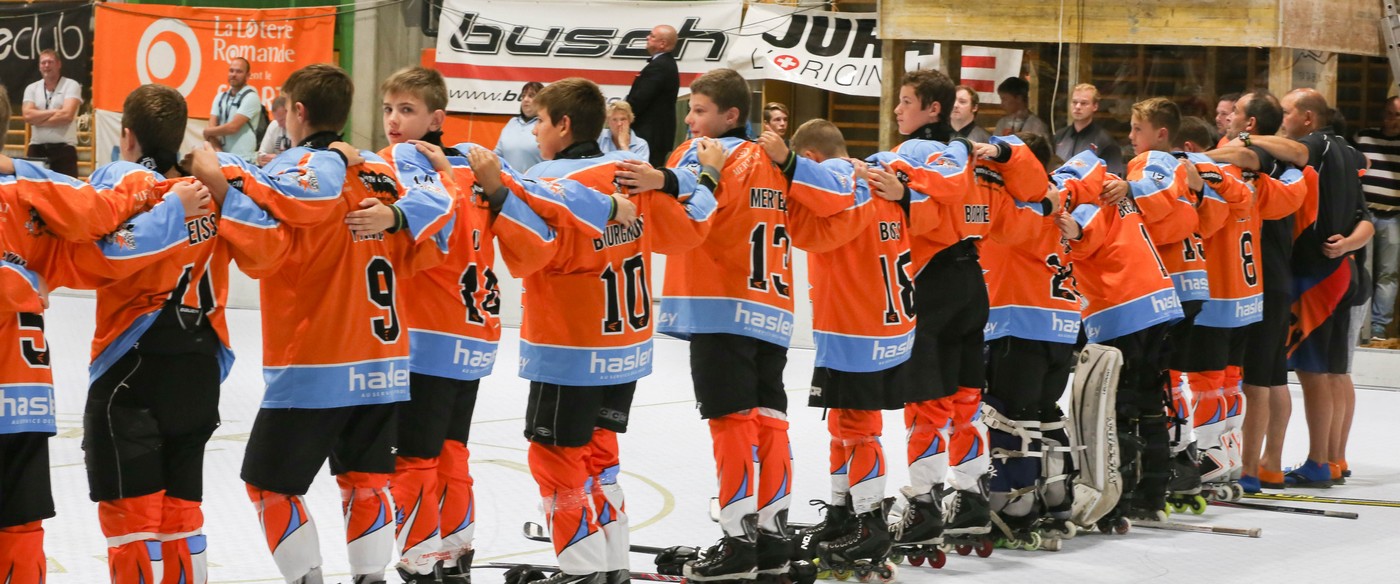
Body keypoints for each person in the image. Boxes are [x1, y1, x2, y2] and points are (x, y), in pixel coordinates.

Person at [193, 63, 455, 584]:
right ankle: (370, 578)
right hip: (383, 361)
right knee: (366, 482)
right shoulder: (380, 173)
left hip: (317, 360)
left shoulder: (293, 174)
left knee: (270, 485)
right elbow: (435, 233)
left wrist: (213, 171)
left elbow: (260, 237)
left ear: (298, 112)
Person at [0, 87, 212, 584]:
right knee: (181, 515)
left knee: (131, 522)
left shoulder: (123, 175)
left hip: (129, 362)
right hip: (196, 360)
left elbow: (99, 250)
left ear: (127, 136)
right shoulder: (207, 187)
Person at [509, 76, 715, 584]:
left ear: (563, 124)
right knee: (601, 457)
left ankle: (582, 571)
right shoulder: (631, 175)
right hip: (625, 348)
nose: (534, 130)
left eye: (540, 120)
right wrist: (701, 178)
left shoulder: (546, 178)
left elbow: (514, 219)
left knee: (556, 458)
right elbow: (691, 227)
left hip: (570, 346)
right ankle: (611, 564)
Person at [617, 68, 817, 581]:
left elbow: (684, 196)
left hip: (723, 306)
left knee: (730, 422)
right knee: (770, 420)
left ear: (730, 115)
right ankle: (772, 536)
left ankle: (737, 539)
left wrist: (658, 177)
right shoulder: (774, 160)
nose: (690, 119)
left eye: (699, 110)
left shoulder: (706, 151)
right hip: (773, 308)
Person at [377, 65, 554, 583]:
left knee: (413, 457)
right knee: (451, 449)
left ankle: (419, 559)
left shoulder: (401, 161)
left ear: (436, 119)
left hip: (425, 333)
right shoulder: (479, 162)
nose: (393, 121)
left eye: (407, 110)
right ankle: (456, 551)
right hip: (473, 333)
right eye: (388, 109)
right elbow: (535, 221)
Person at [758, 118, 912, 568]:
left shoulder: (845, 185)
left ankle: (870, 524)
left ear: (810, 159)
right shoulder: (878, 183)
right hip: (880, 323)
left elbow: (811, 221)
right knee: (843, 424)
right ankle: (844, 513)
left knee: (858, 428)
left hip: (856, 326)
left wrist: (785, 167)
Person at [1264, 89, 1374, 487]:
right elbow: (1366, 219)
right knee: (1332, 371)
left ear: (1308, 118)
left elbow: (1294, 151)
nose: (1282, 119)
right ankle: (1331, 458)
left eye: (1287, 112)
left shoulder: (1318, 146)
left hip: (1318, 274)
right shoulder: (1348, 152)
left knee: (1314, 373)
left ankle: (1318, 461)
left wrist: (1245, 139)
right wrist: (1347, 245)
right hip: (1341, 270)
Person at [980, 132, 1080, 541]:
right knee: (1044, 412)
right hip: (1062, 326)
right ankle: (1058, 499)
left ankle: (1015, 505)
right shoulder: (1063, 195)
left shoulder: (1022, 202)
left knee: (1013, 415)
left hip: (1019, 322)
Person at [1208, 90, 1309, 492]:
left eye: (1233, 113)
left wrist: (1192, 160)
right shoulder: (1284, 159)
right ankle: (1266, 465)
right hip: (1275, 277)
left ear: (1249, 123)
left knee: (1251, 380)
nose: (1227, 118)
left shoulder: (1257, 158)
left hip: (1254, 281)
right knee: (1270, 378)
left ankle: (1246, 467)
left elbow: (1258, 155)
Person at [1352, 96, 1400, 340]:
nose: (1393, 119)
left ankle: (1379, 326)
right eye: (1390, 113)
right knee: (1363, 269)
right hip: (1366, 213)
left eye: (1398, 115)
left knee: (1388, 272)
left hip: (1394, 215)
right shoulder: (1364, 137)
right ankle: (1361, 324)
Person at [21, 49, 83, 176]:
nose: (46, 65)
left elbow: (67, 116)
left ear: (59, 64)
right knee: (33, 187)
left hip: (64, 150)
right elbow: (27, 115)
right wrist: (55, 111)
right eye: (43, 63)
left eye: (50, 62)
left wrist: (38, 120)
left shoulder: (71, 85)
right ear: (39, 66)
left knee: (66, 188)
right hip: (36, 149)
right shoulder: (31, 88)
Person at [625, 25, 680, 168]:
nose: (647, 37)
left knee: (641, 173)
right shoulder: (664, 63)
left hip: (649, 136)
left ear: (662, 44)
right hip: (654, 136)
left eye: (652, 36)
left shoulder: (659, 66)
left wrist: (623, 113)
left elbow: (639, 99)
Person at [1053, 83, 1124, 176]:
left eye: (1084, 103)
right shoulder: (1059, 136)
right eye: (1074, 102)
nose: (1077, 107)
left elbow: (1113, 179)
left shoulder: (1106, 142)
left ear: (1095, 106)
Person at [204, 58, 263, 164]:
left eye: (239, 71)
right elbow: (212, 127)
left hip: (244, 160)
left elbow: (233, 127)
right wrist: (219, 152)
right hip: (222, 159)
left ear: (247, 76)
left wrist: (207, 132)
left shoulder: (251, 97)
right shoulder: (220, 97)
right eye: (231, 71)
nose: (234, 74)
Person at [494, 81, 545, 171]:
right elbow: (498, 154)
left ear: (542, 101)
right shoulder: (512, 122)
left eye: (531, 96)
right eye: (523, 96)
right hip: (508, 179)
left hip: (536, 179)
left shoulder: (546, 124)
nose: (525, 99)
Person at [993, 77, 1049, 142]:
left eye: (1004, 99)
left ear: (1019, 98)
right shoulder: (1002, 123)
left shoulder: (1036, 125)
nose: (1002, 104)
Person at [258, 96, 291, 165]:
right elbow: (262, 154)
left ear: (290, 113)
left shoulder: (300, 128)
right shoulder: (274, 125)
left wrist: (278, 158)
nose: (279, 125)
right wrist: (262, 159)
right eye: (277, 120)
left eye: (282, 120)